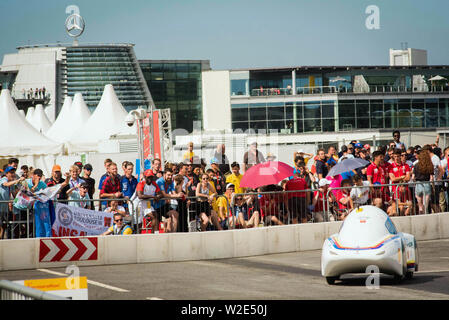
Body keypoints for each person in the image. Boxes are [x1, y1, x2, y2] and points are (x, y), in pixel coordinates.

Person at [0, 167, 25, 239]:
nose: (13, 174)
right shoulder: (4, 179)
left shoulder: (12, 184)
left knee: (4, 226)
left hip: (5, 209)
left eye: (14, 173)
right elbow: (6, 184)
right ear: (6, 174)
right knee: (1, 226)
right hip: (1, 208)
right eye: (11, 173)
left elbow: (15, 195)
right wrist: (18, 180)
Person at [155, 168, 179, 233]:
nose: (170, 177)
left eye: (171, 175)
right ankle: (164, 236)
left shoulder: (170, 181)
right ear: (164, 175)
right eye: (168, 175)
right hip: (156, 206)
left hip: (164, 205)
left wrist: (180, 194)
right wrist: (177, 196)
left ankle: (173, 234)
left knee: (175, 214)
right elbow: (164, 194)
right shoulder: (160, 181)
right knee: (164, 222)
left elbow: (174, 193)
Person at [412, 149, 434, 215]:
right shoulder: (430, 165)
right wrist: (432, 187)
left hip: (418, 184)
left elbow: (413, 177)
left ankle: (420, 215)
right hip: (427, 184)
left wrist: (415, 182)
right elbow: (431, 178)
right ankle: (426, 218)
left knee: (420, 206)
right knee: (426, 205)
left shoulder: (416, 165)